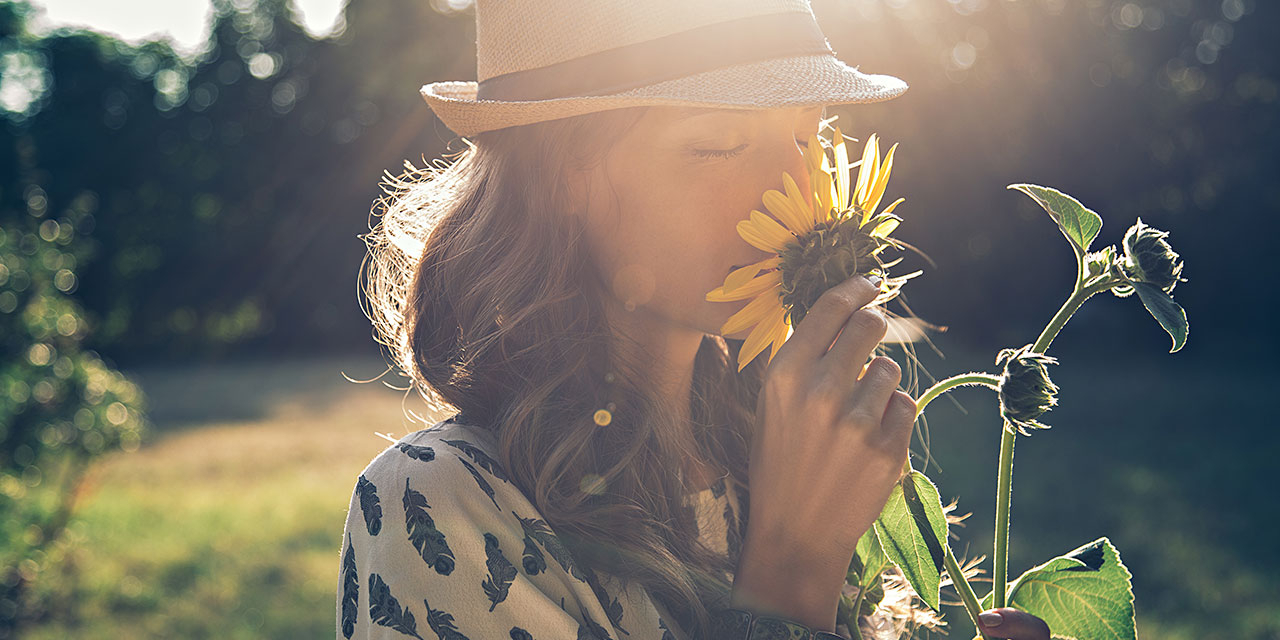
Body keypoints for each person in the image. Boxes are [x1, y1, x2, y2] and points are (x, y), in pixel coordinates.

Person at [338, 1, 1053, 639]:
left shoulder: (777, 450)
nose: (800, 188)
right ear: (561, 177)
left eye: (808, 139)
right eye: (717, 144)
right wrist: (794, 567)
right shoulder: (442, 508)